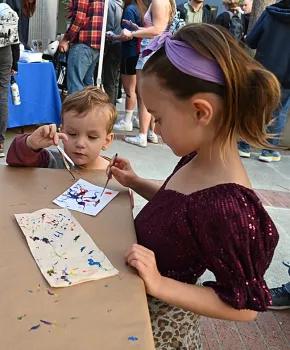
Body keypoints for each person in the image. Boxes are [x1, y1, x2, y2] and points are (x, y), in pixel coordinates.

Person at [107, 24, 280, 348]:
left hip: (159, 329)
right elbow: (181, 212)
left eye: (158, 117)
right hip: (133, 303)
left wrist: (158, 283)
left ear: (200, 111)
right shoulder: (196, 156)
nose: (154, 126)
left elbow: (244, 308)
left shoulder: (230, 209)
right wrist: (135, 182)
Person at [7, 87, 116, 170]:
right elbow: (16, 162)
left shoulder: (114, 174)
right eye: (72, 134)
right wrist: (30, 144)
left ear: (106, 141)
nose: (80, 143)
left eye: (92, 137)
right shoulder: (50, 160)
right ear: (62, 131)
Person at [238, 0, 290, 162]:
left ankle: (244, 146)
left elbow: (252, 40)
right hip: (288, 75)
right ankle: (268, 151)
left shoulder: (270, 13)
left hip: (264, 69)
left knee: (255, 106)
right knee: (279, 111)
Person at [120, 0, 176, 147]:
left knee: (144, 94)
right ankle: (150, 133)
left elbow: (156, 30)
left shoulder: (158, 2)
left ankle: (142, 135)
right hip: (155, 48)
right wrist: (137, 29)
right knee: (150, 93)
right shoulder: (167, 2)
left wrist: (132, 33)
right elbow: (159, 28)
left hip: (150, 49)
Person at [112, 0, 147, 131]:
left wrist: (114, 36)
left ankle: (127, 120)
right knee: (138, 89)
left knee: (129, 89)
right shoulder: (142, 9)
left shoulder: (130, 10)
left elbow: (128, 35)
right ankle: (137, 119)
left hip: (129, 52)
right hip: (140, 51)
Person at [59, 0, 103, 95]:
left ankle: (77, 110)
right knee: (87, 85)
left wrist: (65, 38)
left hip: (83, 44)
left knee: (76, 86)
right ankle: (88, 109)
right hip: (94, 45)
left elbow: (79, 18)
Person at [0, 0, 22, 158]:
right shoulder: (9, 11)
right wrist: (15, 63)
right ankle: (0, 142)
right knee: (2, 97)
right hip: (6, 52)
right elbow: (15, 40)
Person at [102, 0, 123, 105]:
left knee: (109, 81)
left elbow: (108, 27)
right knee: (114, 81)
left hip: (112, 44)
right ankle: (111, 109)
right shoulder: (122, 5)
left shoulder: (110, 4)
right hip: (120, 45)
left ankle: (109, 112)